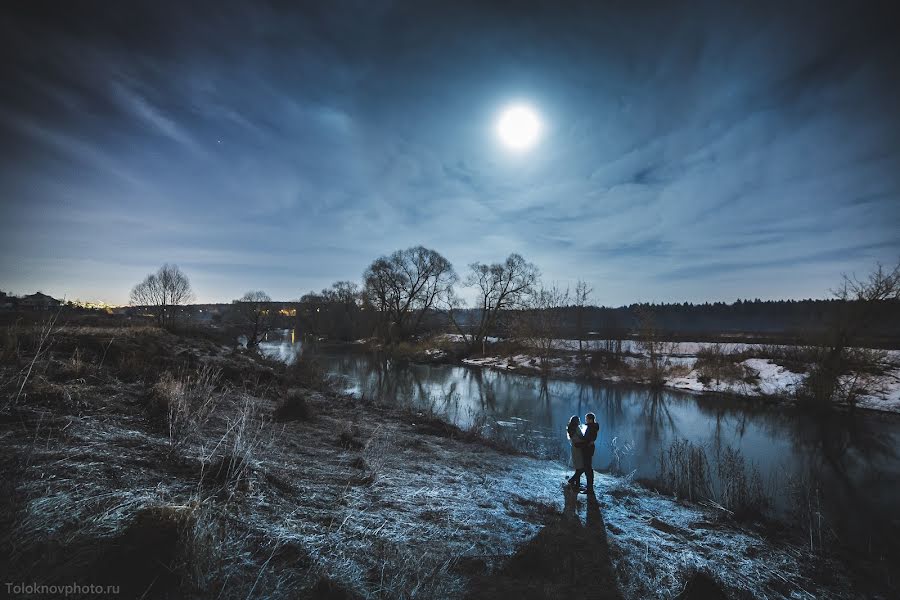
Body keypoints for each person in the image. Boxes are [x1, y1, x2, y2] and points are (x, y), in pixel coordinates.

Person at [582, 412, 600, 492]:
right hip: (589, 448)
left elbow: (589, 439)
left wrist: (582, 443)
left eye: (586, 419)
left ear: (590, 419)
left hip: (588, 449)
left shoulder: (591, 427)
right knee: (588, 467)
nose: (585, 420)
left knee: (588, 468)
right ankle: (589, 486)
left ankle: (589, 488)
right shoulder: (592, 427)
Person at [566, 415, 585, 489]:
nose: (579, 421)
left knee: (578, 467)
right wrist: (584, 440)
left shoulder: (570, 428)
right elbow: (579, 438)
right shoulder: (576, 428)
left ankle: (577, 484)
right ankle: (572, 480)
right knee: (581, 467)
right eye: (578, 420)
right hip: (578, 448)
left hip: (574, 447)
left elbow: (573, 439)